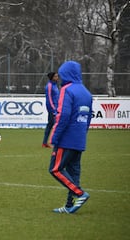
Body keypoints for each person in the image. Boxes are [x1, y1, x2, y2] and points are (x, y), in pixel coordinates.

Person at [48, 61, 92, 214]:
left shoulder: (66, 90)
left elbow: (63, 115)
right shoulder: (86, 92)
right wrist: (81, 135)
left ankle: (80, 194)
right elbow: (88, 119)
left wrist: (55, 136)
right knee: (74, 173)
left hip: (66, 139)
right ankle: (68, 206)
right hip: (79, 139)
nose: (59, 78)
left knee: (55, 169)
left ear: (66, 74)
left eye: (61, 74)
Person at [42, 72, 59, 148]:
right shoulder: (49, 86)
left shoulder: (55, 85)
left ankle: (45, 142)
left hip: (56, 108)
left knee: (50, 125)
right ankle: (52, 142)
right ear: (52, 77)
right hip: (52, 109)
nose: (57, 77)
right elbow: (49, 99)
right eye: (55, 76)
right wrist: (53, 109)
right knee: (55, 125)